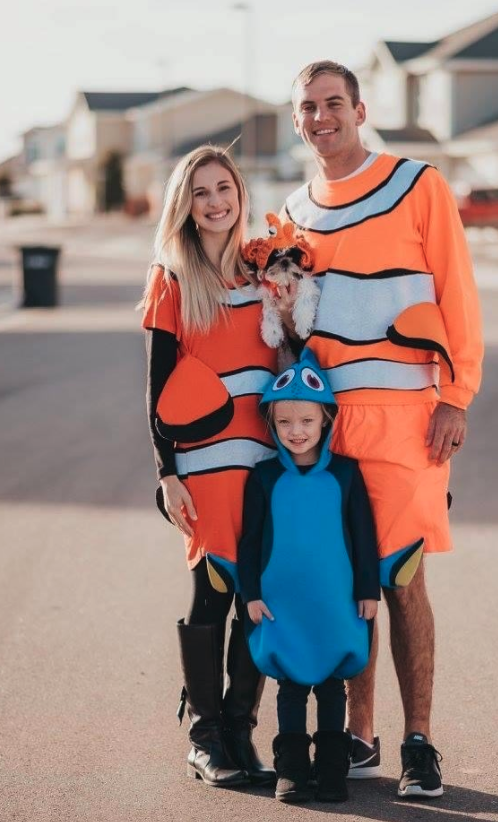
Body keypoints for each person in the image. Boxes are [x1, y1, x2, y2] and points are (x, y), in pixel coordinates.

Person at [282, 61, 484, 799]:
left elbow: (456, 289)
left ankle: (419, 741)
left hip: (406, 419)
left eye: (333, 103)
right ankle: (358, 736)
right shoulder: (292, 210)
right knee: (343, 585)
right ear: (296, 118)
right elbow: (294, 326)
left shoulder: (416, 183)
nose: (321, 116)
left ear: (359, 110)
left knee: (401, 580)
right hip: (327, 428)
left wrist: (455, 395)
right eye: (307, 106)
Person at [139, 145, 278, 787]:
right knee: (214, 591)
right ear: (184, 204)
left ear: (240, 194)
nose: (216, 201)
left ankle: (241, 728)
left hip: (268, 464)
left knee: (259, 597)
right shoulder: (172, 277)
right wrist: (167, 472)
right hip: (204, 467)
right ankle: (204, 734)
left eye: (225, 188)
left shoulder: (267, 269)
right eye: (201, 192)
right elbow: (157, 389)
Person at [237, 349, 380, 804]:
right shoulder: (262, 478)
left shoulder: (346, 474)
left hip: (336, 602)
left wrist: (367, 589)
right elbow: (251, 543)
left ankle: (333, 772)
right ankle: (293, 772)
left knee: (332, 684)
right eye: (284, 423)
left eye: (306, 421)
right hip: (282, 604)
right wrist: (251, 594)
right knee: (292, 685)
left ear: (325, 421)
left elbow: (363, 536)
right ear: (272, 425)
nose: (296, 432)